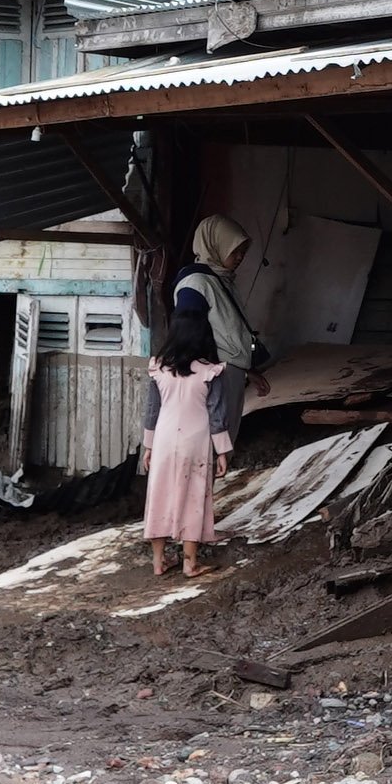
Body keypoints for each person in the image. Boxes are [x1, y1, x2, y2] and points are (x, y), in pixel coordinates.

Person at [141, 306, 232, 577]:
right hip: (197, 438)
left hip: (165, 437)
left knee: (159, 494)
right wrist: (223, 451)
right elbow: (217, 413)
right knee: (194, 494)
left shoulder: (158, 367)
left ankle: (158, 562)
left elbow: (152, 410)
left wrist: (148, 446)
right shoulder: (210, 371)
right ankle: (190, 563)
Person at [172, 216, 271, 443]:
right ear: (215, 245)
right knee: (212, 446)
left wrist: (247, 370)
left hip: (226, 374)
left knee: (223, 444)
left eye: (243, 251)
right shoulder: (196, 283)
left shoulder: (220, 280)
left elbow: (225, 332)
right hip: (212, 378)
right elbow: (188, 337)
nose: (240, 257)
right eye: (234, 250)